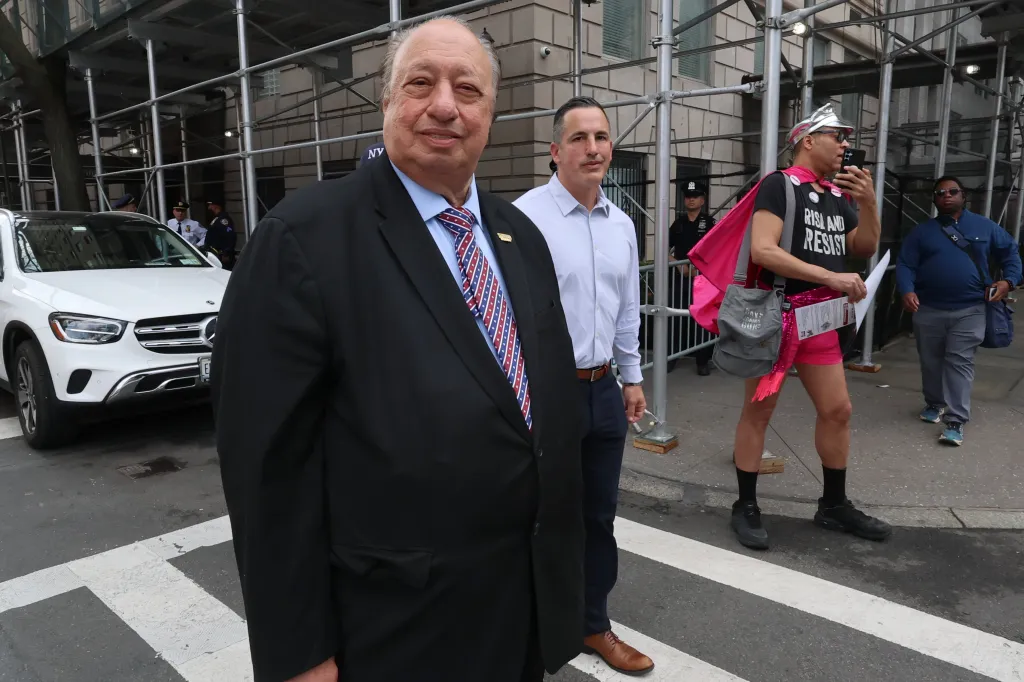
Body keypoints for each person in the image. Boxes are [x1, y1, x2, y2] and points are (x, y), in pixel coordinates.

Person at [211, 16, 584, 682]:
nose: (445, 104)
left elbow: (536, 409)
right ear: (388, 101)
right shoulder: (302, 239)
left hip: (520, 609)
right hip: (395, 632)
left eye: (467, 90)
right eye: (421, 82)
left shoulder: (519, 237)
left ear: (489, 114)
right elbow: (268, 474)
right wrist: (300, 657)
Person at [513, 96, 653, 677]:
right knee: (540, 515)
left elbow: (625, 309)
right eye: (579, 138)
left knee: (599, 516)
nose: (592, 148)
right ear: (555, 151)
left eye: (600, 136)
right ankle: (529, 625)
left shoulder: (622, 224)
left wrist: (632, 377)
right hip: (544, 396)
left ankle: (593, 623)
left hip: (602, 393)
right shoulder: (522, 220)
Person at [728, 104, 892, 550]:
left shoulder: (838, 195)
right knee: (758, 412)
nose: (844, 146)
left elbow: (864, 245)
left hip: (819, 321)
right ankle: (745, 505)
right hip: (775, 318)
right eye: (837, 137)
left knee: (838, 410)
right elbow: (763, 250)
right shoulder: (778, 185)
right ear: (807, 140)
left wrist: (869, 202)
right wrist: (830, 277)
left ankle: (833, 505)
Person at [895, 176, 1022, 445]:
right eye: (940, 193)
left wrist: (1008, 281)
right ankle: (934, 404)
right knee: (930, 361)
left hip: (971, 308)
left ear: (964, 196)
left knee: (959, 360)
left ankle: (956, 420)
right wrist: (907, 290)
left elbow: (1011, 253)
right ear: (935, 199)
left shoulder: (984, 227)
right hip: (928, 308)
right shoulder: (922, 232)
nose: (946, 196)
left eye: (953, 191)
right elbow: (906, 263)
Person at [669, 180, 716, 375]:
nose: (690, 200)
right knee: (675, 318)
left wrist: (698, 270)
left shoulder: (710, 223)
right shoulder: (678, 224)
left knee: (702, 319)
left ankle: (702, 360)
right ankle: (671, 357)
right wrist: (677, 266)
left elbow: (716, 252)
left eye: (695, 196)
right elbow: (665, 249)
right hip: (680, 279)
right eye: (688, 197)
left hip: (703, 280)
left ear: (702, 200)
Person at [203, 197, 237, 269]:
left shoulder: (223, 220)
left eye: (210, 205)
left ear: (216, 206)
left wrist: (226, 253)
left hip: (222, 256)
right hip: (215, 254)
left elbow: (230, 236)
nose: (209, 208)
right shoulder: (216, 218)